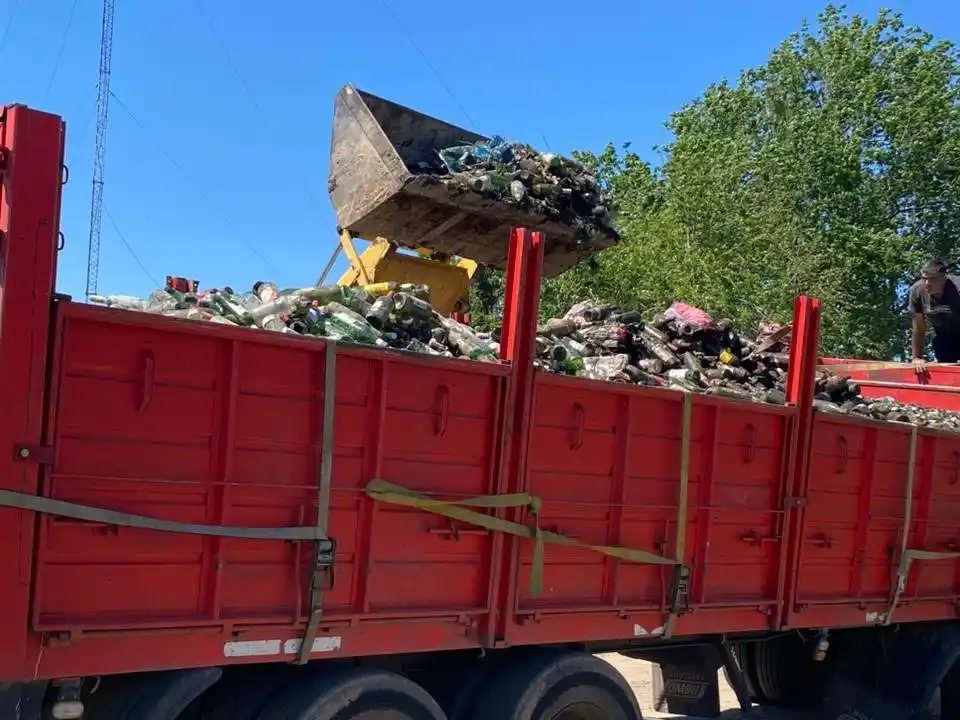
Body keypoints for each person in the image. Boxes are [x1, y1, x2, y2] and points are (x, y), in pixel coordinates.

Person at [909, 258, 960, 374]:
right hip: (943, 338)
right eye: (924, 279)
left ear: (944, 278)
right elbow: (919, 327)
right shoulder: (917, 291)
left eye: (932, 279)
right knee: (947, 370)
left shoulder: (958, 289)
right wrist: (917, 358)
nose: (927, 284)